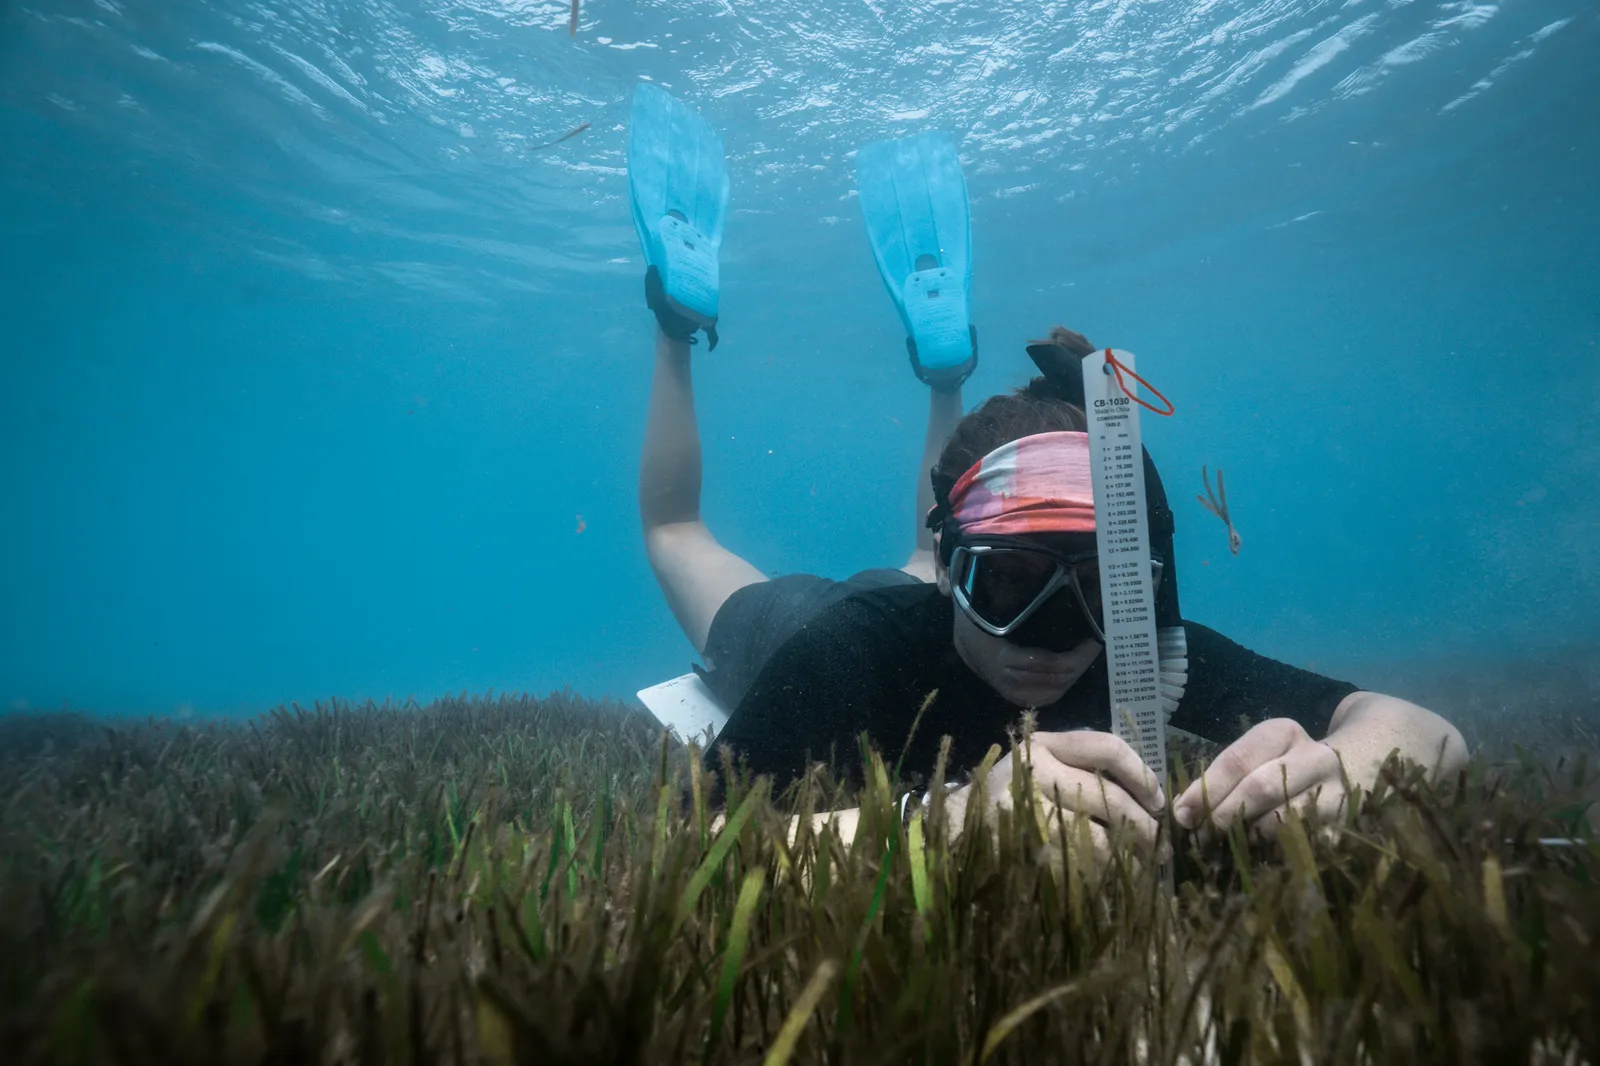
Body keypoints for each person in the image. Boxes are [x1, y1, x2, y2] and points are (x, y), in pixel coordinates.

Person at [627, 89, 1468, 853]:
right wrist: (948, 824)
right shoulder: (846, 654)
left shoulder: (1139, 650)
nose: (1053, 637)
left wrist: (1352, 767)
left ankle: (945, 382)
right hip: (807, 615)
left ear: (1140, 587)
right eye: (1009, 584)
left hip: (938, 580)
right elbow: (696, 845)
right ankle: (678, 323)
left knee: (925, 549)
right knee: (676, 531)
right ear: (961, 573)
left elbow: (1425, 732)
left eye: (1098, 588)